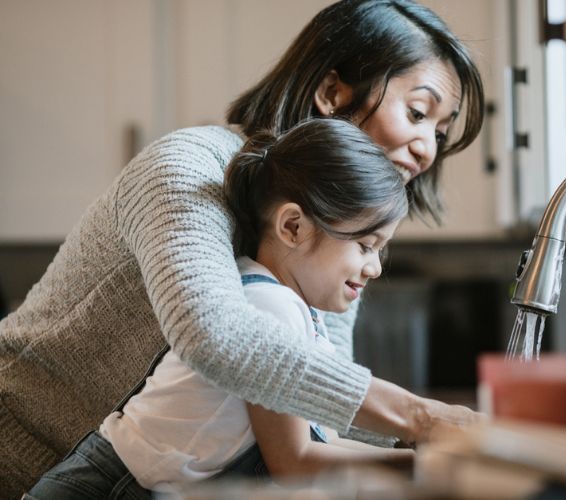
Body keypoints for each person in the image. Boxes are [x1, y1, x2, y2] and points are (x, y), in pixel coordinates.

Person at [0, 0, 484, 495]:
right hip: (20, 457)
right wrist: (422, 418)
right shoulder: (187, 168)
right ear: (332, 92)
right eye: (418, 112)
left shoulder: (324, 243)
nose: (428, 149)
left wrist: (439, 457)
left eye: (440, 133)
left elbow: (316, 403)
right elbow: (215, 336)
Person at [26, 119, 416, 498]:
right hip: (108, 487)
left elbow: (323, 438)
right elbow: (295, 461)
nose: (376, 267)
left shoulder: (291, 305)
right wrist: (423, 466)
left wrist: (415, 459)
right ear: (293, 227)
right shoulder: (269, 306)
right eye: (365, 245)